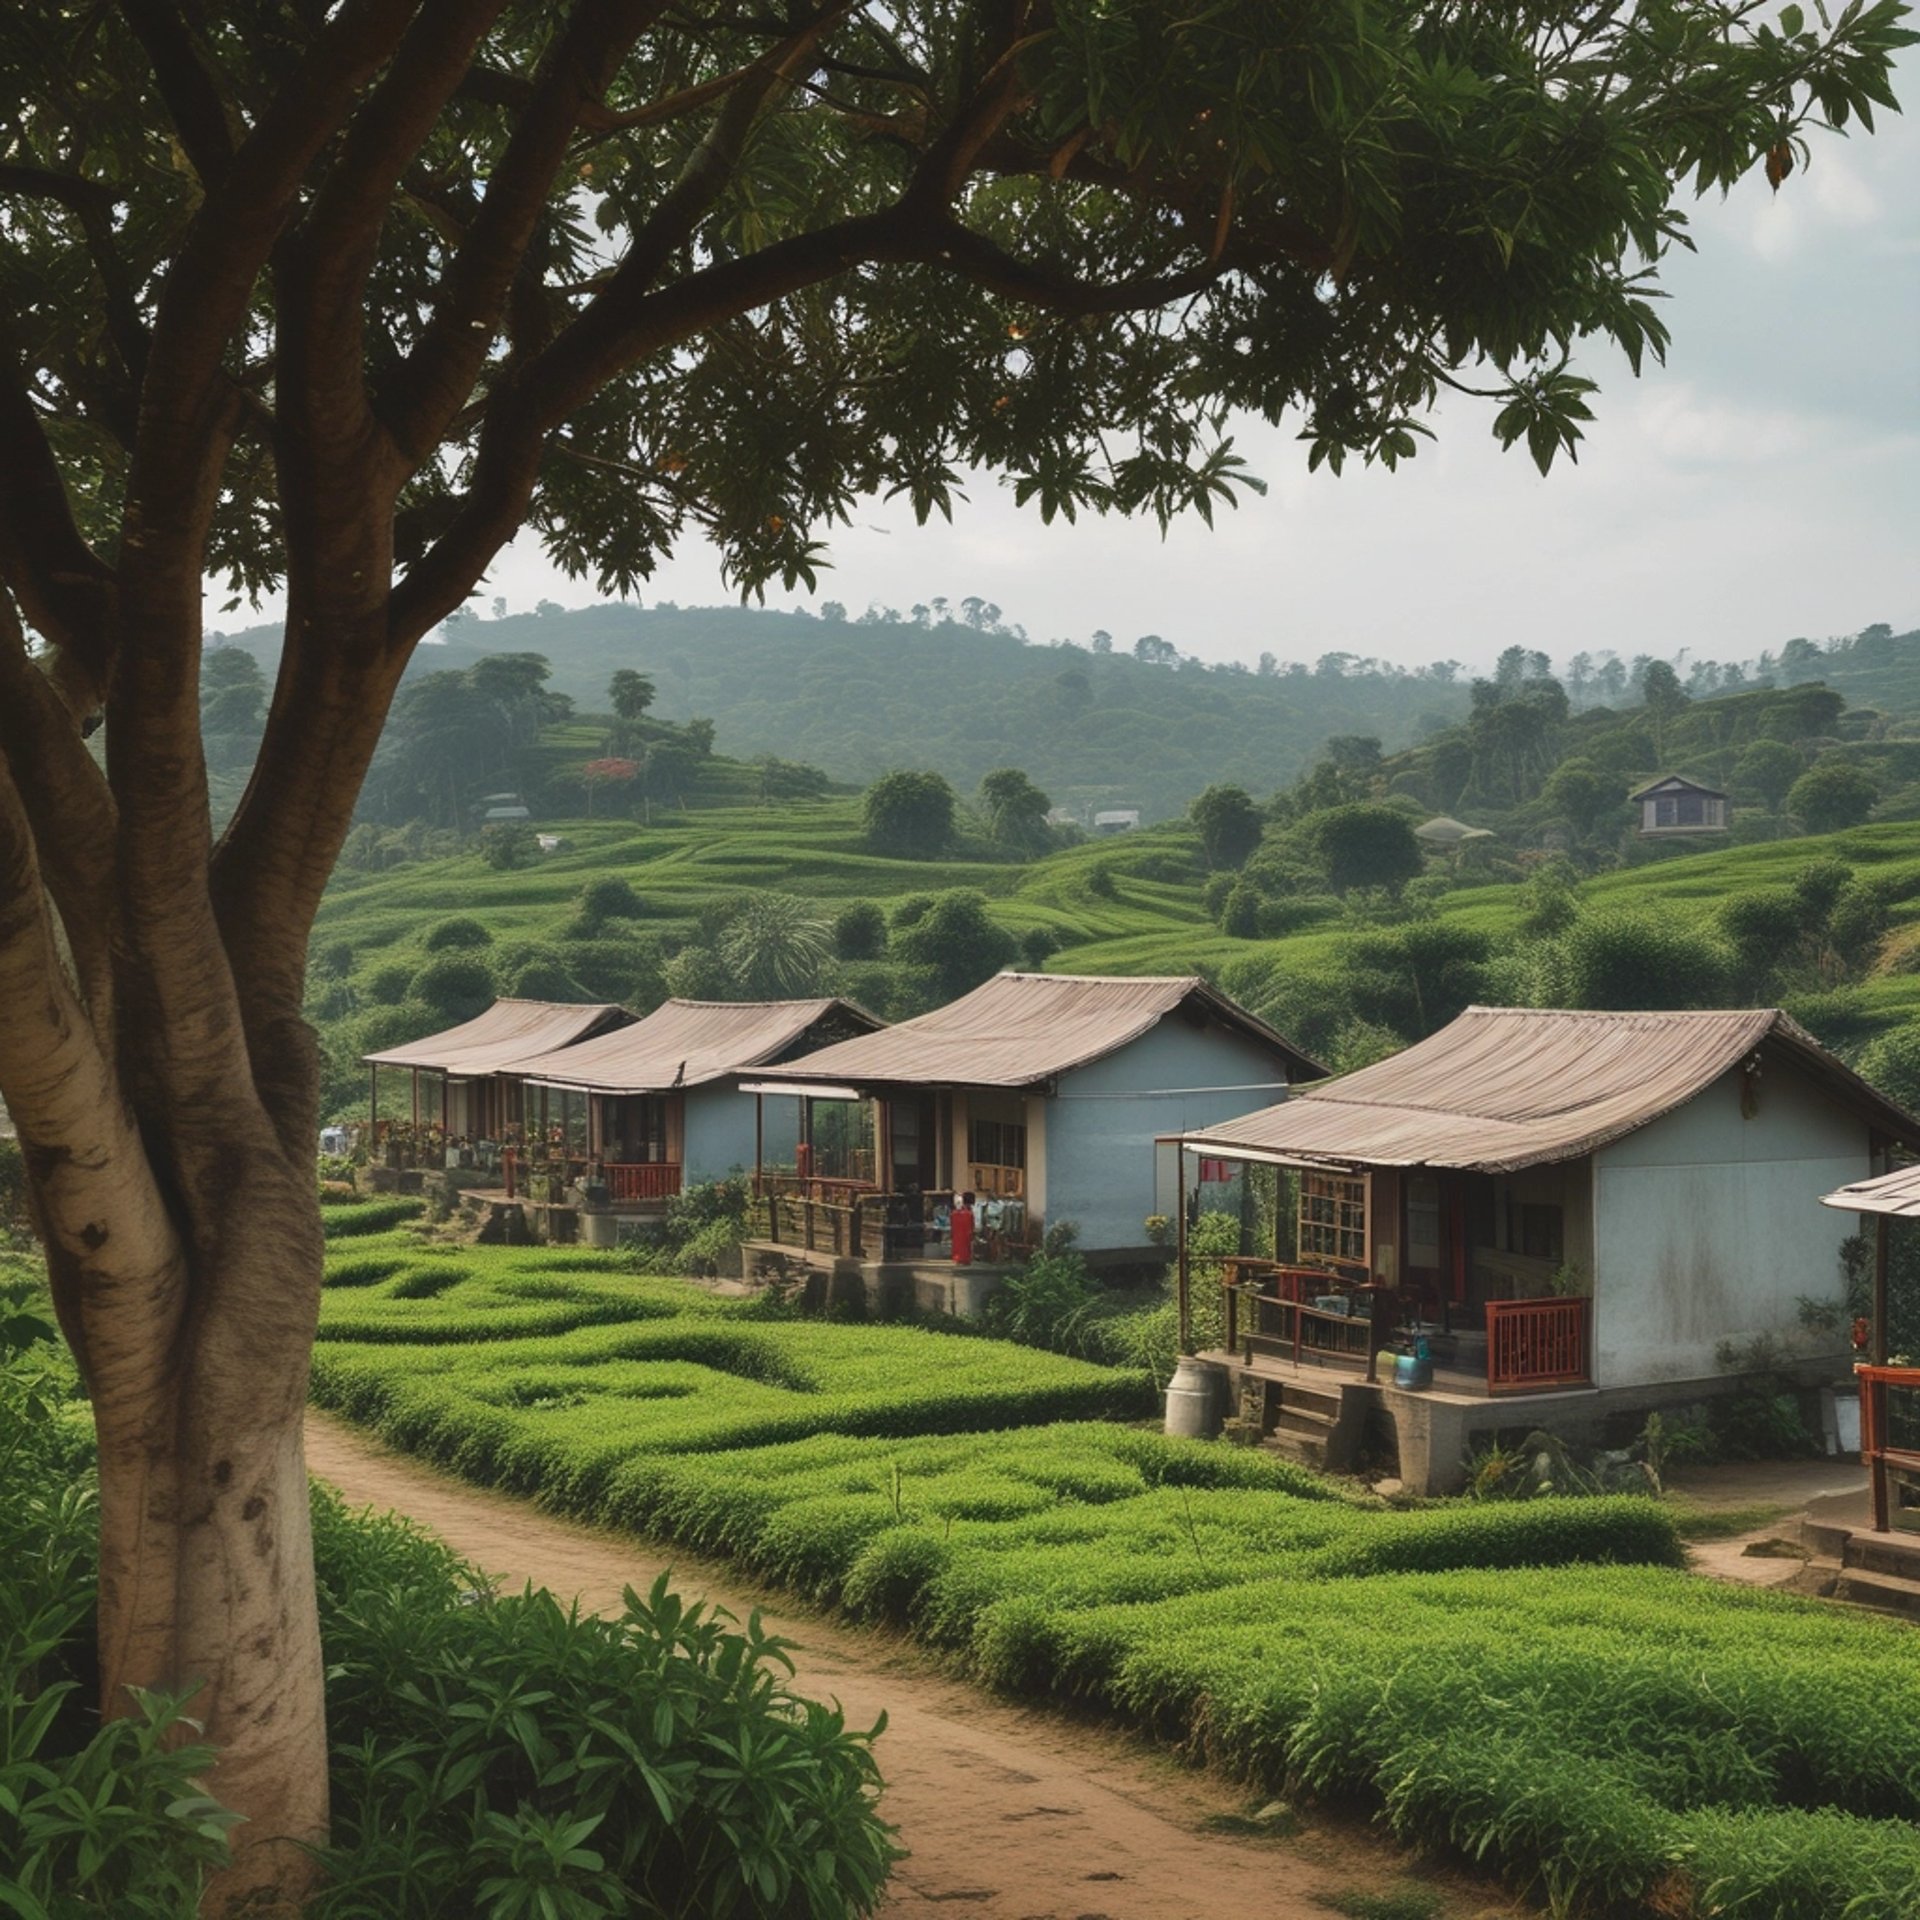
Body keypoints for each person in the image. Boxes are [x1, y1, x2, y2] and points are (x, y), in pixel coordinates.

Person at [950, 1190, 975, 1266]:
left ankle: (959, 1259)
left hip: (959, 1231)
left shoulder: (954, 1214)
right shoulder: (969, 1213)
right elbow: (972, 1224)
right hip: (965, 1231)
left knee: (959, 1244)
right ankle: (964, 1259)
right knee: (965, 1245)